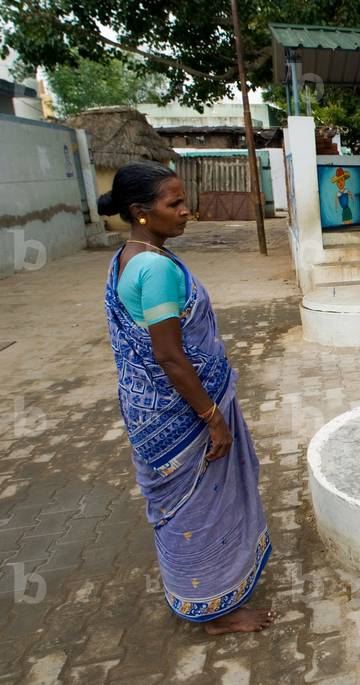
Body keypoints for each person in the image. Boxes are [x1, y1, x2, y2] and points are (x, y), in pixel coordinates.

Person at [100, 161, 275, 633]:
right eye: (174, 203)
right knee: (201, 505)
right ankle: (217, 611)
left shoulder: (127, 257)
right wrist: (212, 416)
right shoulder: (154, 268)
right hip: (183, 413)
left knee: (186, 505)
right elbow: (168, 355)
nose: (185, 211)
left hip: (152, 412)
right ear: (141, 212)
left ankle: (206, 591)